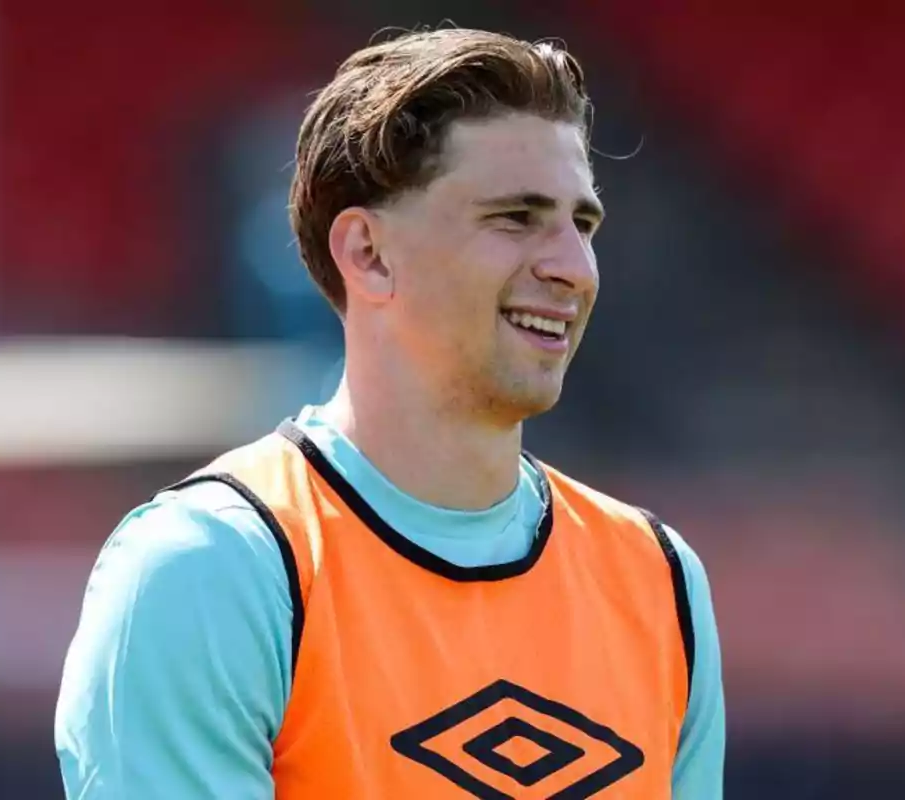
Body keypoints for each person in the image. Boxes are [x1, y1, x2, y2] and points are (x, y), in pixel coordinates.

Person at [55, 27, 725, 799]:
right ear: (367, 254)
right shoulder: (212, 570)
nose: (572, 267)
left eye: (583, 224)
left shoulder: (658, 581)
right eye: (515, 217)